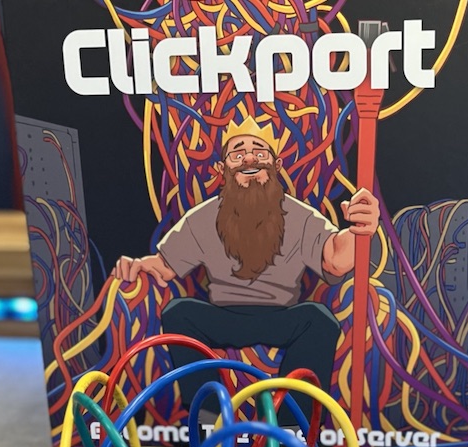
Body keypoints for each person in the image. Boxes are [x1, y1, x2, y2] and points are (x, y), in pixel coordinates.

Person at [112, 118, 379, 420]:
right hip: (223, 315)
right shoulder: (203, 217)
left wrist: (361, 228)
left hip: (280, 316)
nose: (249, 158)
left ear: (276, 164)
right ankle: (209, 420)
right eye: (238, 153)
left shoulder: (300, 216)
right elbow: (164, 266)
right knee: (178, 312)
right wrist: (136, 265)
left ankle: (292, 428)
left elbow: (336, 258)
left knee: (319, 319)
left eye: (259, 152)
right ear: (222, 169)